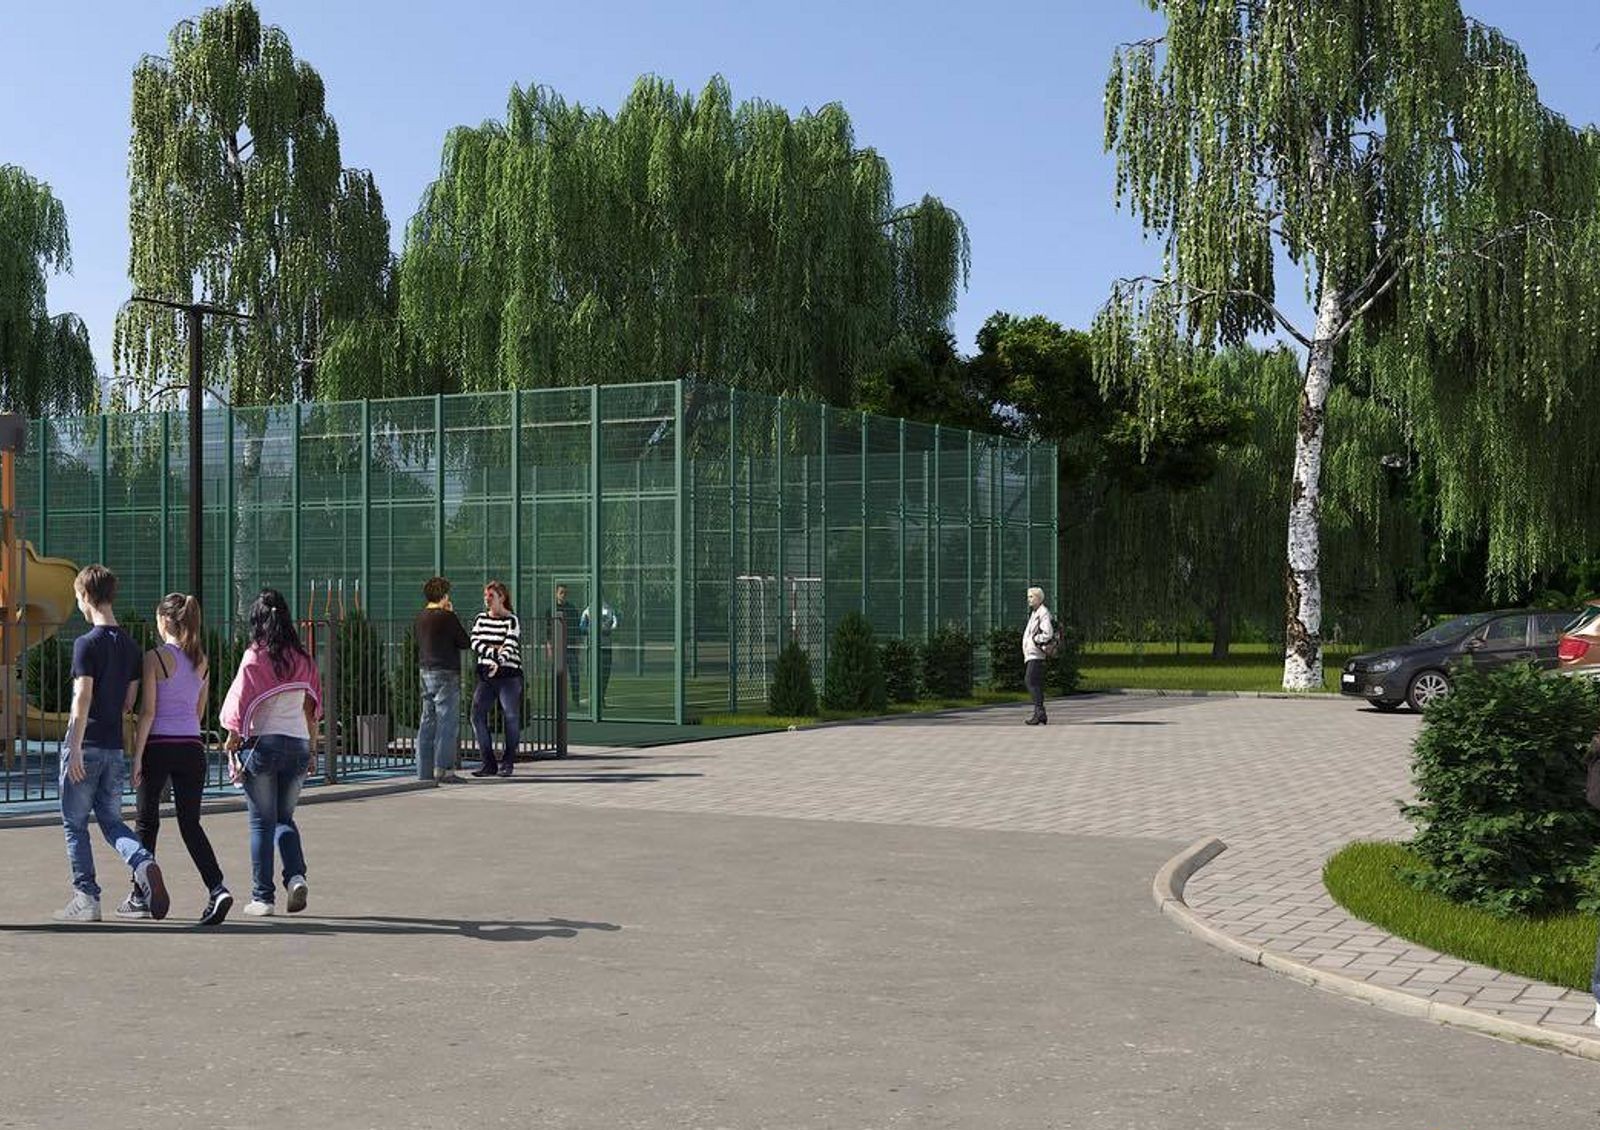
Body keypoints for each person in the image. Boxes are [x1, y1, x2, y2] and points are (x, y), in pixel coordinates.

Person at [54, 564, 170, 922]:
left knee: (75, 824)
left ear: (86, 596)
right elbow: (128, 702)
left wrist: (74, 746)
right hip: (113, 747)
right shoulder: (132, 647)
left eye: (78, 598)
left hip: (86, 743)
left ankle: (87, 897)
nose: (79, 605)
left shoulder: (85, 644)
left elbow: (82, 697)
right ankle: (143, 860)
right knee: (111, 820)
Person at [118, 592, 232, 926]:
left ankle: (140, 894)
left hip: (159, 745)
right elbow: (198, 713)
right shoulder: (202, 661)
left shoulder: (155, 658)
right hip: (192, 747)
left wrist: (137, 756)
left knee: (146, 820)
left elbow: (148, 712)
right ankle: (217, 887)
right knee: (190, 824)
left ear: (165, 621)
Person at [220, 589, 322, 917]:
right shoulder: (304, 659)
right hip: (298, 744)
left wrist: (232, 737)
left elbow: (239, 702)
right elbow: (311, 709)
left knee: (261, 823)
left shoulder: (255, 657)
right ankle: (296, 877)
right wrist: (312, 748)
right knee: (284, 818)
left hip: (262, 746)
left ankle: (263, 898)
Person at [415, 576, 470, 784]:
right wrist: (451, 613)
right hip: (446, 673)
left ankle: (423, 772)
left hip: (425, 672)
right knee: (447, 723)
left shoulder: (421, 617)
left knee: (427, 721)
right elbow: (464, 641)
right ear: (444, 596)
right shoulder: (447, 617)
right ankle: (444, 770)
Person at [470, 580, 522, 778]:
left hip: (509, 675)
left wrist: (498, 661)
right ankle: (488, 763)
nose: (487, 599)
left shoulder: (511, 620)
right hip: (486, 675)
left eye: (491, 596)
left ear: (502, 597)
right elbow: (475, 641)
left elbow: (509, 645)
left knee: (510, 715)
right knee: (476, 715)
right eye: (486, 595)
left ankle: (508, 762)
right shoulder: (480, 619)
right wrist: (493, 652)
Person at [1022, 586, 1056, 726]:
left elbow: (1048, 633)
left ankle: (1040, 712)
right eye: (1028, 597)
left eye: (1031, 597)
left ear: (1038, 598)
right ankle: (1039, 714)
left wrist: (1036, 639)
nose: (1029, 599)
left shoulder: (1043, 613)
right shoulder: (1035, 613)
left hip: (1036, 654)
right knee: (1035, 682)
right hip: (1032, 654)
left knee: (1030, 681)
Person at [580, 599, 620, 711]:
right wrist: (593, 630)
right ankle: (595, 698)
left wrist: (604, 629)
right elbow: (582, 626)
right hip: (593, 647)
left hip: (605, 646)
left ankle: (601, 697)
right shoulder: (588, 610)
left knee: (605, 673)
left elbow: (615, 624)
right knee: (594, 672)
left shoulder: (609, 609)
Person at [553, 583, 581, 707]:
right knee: (559, 675)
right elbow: (548, 630)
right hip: (558, 648)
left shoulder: (572, 609)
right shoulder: (552, 609)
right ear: (556, 594)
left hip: (571, 647)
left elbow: (577, 629)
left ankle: (576, 699)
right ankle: (559, 700)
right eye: (561, 592)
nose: (563, 595)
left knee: (575, 674)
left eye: (565, 593)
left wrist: (577, 645)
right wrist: (550, 647)